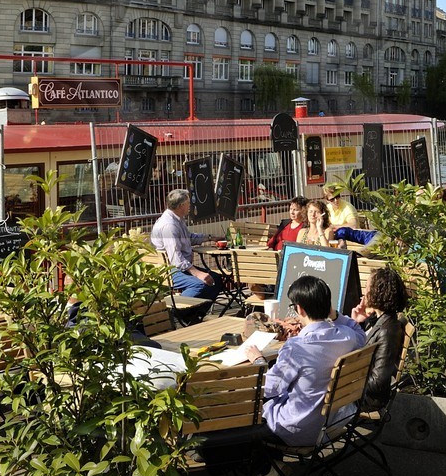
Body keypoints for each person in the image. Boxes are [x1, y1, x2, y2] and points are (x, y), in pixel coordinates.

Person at [243, 275, 367, 447]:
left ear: (299, 309)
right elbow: (359, 332)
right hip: (331, 420)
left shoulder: (297, 347)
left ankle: (266, 465)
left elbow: (268, 389)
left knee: (245, 402)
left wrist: (258, 361)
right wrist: (336, 315)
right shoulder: (347, 336)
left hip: (296, 428)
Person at [351, 267, 409, 411]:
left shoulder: (387, 331)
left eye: (367, 287)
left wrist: (346, 383)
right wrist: (357, 322)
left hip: (365, 399)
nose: (364, 293)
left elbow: (379, 382)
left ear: (378, 292)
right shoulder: (381, 321)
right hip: (358, 393)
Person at [150, 189, 220, 300]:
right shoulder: (169, 226)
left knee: (216, 279)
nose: (190, 206)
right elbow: (176, 259)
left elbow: (189, 237)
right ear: (181, 205)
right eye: (188, 204)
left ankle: (194, 315)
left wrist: (211, 238)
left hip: (178, 267)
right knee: (201, 284)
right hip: (170, 270)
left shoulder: (176, 219)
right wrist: (198, 274)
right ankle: (176, 311)